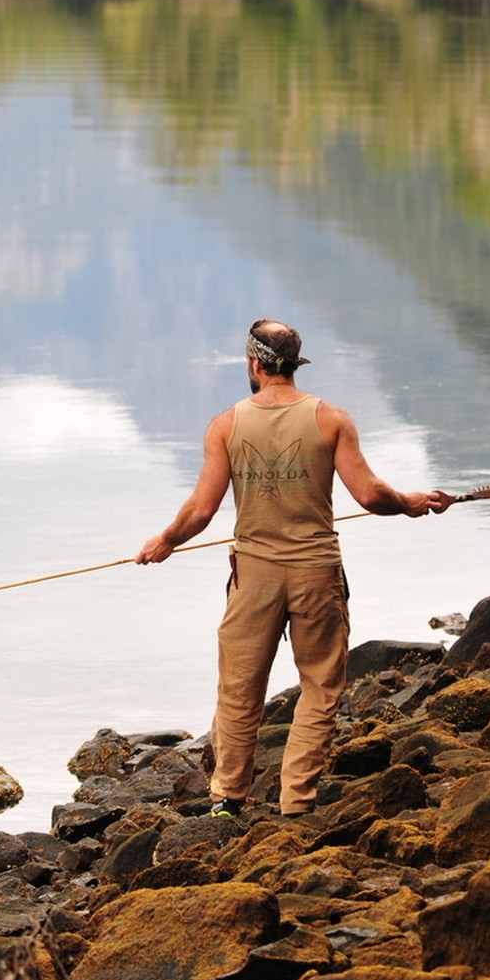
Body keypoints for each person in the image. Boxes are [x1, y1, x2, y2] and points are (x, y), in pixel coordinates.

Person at [136, 318, 451, 819]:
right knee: (320, 687)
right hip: (317, 574)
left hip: (254, 577)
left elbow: (200, 511)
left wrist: (165, 541)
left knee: (240, 689)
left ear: (254, 363)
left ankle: (227, 799)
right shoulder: (331, 419)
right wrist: (410, 502)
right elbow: (370, 495)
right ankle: (297, 803)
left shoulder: (226, 425)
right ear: (292, 364)